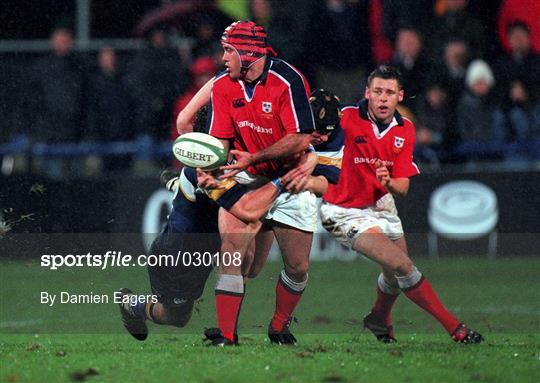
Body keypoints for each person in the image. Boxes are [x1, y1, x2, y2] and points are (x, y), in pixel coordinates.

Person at [319, 65, 484, 344]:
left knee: (394, 277)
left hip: (382, 203)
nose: (383, 98)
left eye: (390, 92)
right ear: (367, 94)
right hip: (343, 210)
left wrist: (389, 182)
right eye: (378, 92)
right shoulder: (345, 118)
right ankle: (456, 329)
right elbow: (315, 139)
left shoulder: (405, 129)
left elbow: (403, 187)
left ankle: (377, 320)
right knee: (404, 267)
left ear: (400, 96)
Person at [204, 20, 333, 346]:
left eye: (228, 50)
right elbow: (220, 142)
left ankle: (278, 326)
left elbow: (301, 137)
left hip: (291, 176)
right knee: (232, 254)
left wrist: (255, 156)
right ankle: (227, 337)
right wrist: (208, 164)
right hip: (247, 175)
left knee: (298, 267)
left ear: (248, 53)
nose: (223, 58)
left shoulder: (287, 80)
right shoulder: (222, 86)